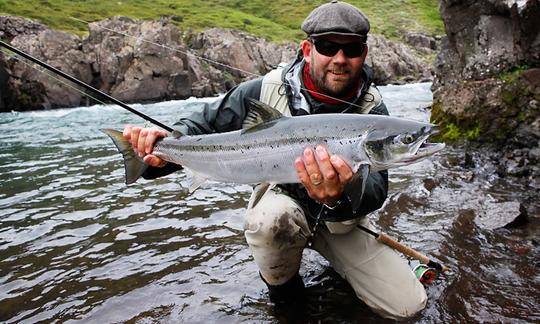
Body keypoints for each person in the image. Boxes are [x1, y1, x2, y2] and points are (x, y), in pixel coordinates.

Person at [123, 1, 427, 320]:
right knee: (268, 222)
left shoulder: (373, 110)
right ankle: (286, 296)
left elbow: (376, 192)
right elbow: (201, 126)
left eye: (351, 49)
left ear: (363, 54)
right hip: (283, 206)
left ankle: (336, 264)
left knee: (408, 308)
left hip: (343, 221)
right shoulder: (263, 89)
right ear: (307, 49)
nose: (339, 59)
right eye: (327, 46)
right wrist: (161, 149)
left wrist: (343, 190)